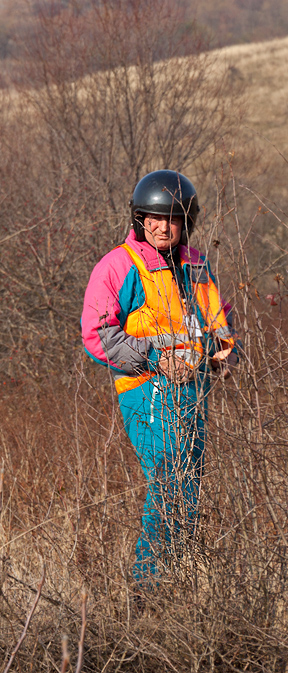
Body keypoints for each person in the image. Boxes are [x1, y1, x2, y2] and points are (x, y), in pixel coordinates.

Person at [81, 170, 237, 589]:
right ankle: (148, 583)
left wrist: (226, 351)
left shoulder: (197, 263)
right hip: (146, 391)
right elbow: (96, 335)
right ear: (139, 219)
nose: (162, 226)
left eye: (172, 218)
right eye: (153, 217)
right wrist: (151, 358)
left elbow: (218, 321)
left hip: (195, 389)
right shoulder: (117, 266)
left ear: (186, 222)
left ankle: (177, 576)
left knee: (190, 479)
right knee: (169, 477)